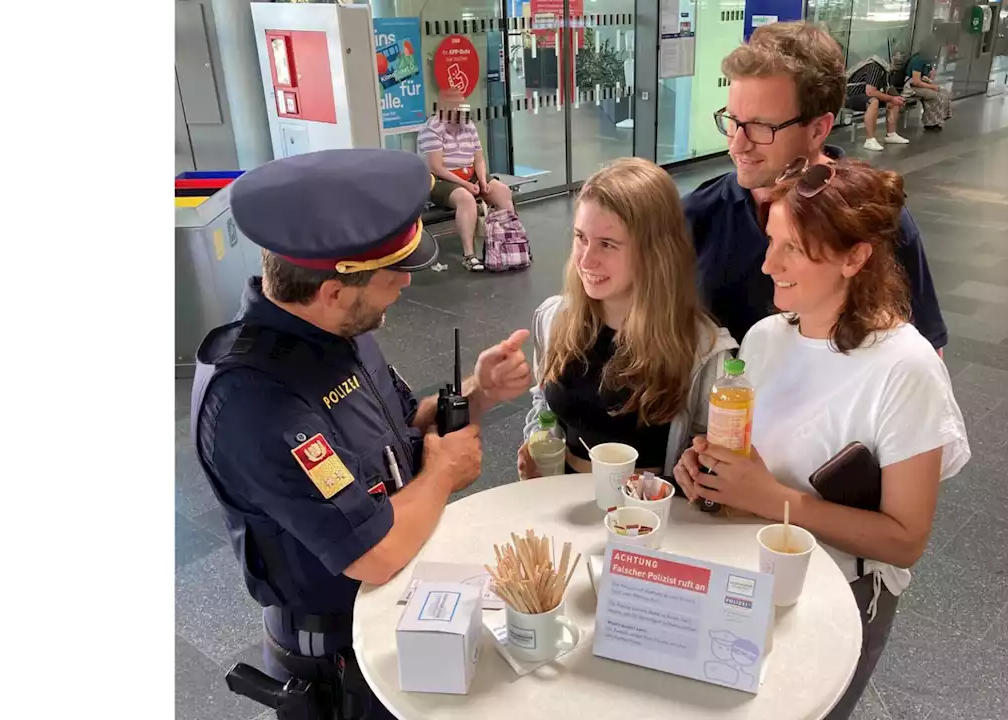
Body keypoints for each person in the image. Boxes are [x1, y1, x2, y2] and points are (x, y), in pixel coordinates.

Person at [191, 149, 532, 719]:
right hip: (339, 657)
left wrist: (479, 394)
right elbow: (373, 553)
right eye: (391, 277)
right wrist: (444, 471)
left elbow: (402, 427)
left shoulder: (333, 329)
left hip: (394, 604)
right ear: (332, 291)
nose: (404, 283)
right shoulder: (258, 402)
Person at [673, 157, 970, 720]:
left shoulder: (905, 369)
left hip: (840, 591)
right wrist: (712, 470)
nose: (767, 264)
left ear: (856, 257)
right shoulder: (764, 338)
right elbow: (754, 463)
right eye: (771, 242)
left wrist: (770, 498)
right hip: (747, 570)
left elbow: (904, 540)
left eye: (793, 249)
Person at [684, 21, 948, 355]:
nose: (737, 144)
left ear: (818, 129)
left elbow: (925, 353)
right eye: (733, 120)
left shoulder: (874, 218)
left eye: (762, 127)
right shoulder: (696, 215)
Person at [517, 158, 737, 479]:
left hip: (652, 517)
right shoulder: (554, 318)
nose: (587, 259)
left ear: (654, 253)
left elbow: (710, 459)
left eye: (607, 244)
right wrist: (538, 446)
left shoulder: (704, 350)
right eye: (581, 238)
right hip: (561, 507)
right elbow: (544, 407)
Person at [417, 89, 517, 272]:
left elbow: (479, 159)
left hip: (469, 173)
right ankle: (469, 255)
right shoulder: (431, 129)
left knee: (502, 191)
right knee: (466, 199)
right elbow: (436, 167)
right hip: (440, 178)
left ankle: (508, 245)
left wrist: (482, 181)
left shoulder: (469, 125)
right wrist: (466, 184)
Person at [844, 55, 910, 152]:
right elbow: (870, 91)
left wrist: (896, 98)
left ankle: (891, 135)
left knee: (893, 101)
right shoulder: (875, 68)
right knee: (873, 101)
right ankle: (870, 140)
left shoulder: (885, 72)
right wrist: (891, 98)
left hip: (864, 96)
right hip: (851, 97)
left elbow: (886, 89)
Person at [903, 48, 953, 130]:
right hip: (911, 87)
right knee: (934, 95)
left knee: (944, 92)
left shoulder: (927, 60)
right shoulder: (918, 60)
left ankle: (937, 120)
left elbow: (928, 77)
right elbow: (916, 82)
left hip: (922, 85)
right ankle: (930, 122)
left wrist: (932, 75)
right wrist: (932, 87)